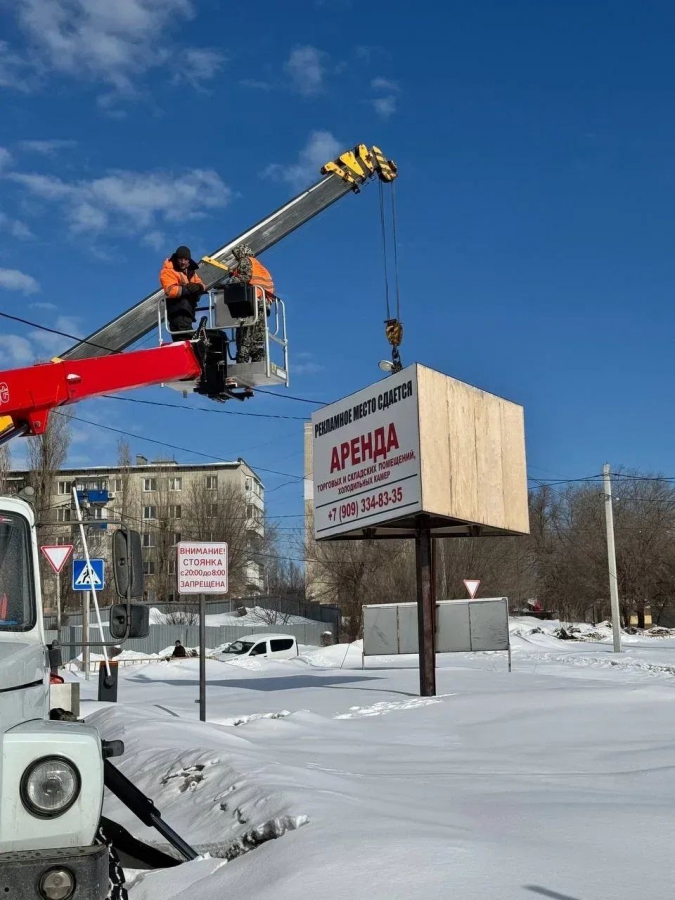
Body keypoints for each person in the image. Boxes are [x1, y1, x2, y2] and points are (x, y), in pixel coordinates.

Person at [228, 243, 275, 363]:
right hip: (264, 304)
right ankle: (258, 360)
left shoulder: (245, 260)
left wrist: (231, 280)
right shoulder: (260, 265)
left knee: (245, 336)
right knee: (258, 338)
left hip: (251, 304)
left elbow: (244, 277)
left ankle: (242, 361)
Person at [159, 245, 206, 340]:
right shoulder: (168, 271)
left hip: (187, 311)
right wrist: (187, 289)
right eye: (181, 259)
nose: (183, 262)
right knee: (184, 337)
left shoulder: (190, 272)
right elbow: (170, 290)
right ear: (177, 259)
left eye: (185, 259)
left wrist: (198, 287)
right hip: (177, 311)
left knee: (187, 337)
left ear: (189, 260)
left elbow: (201, 284)